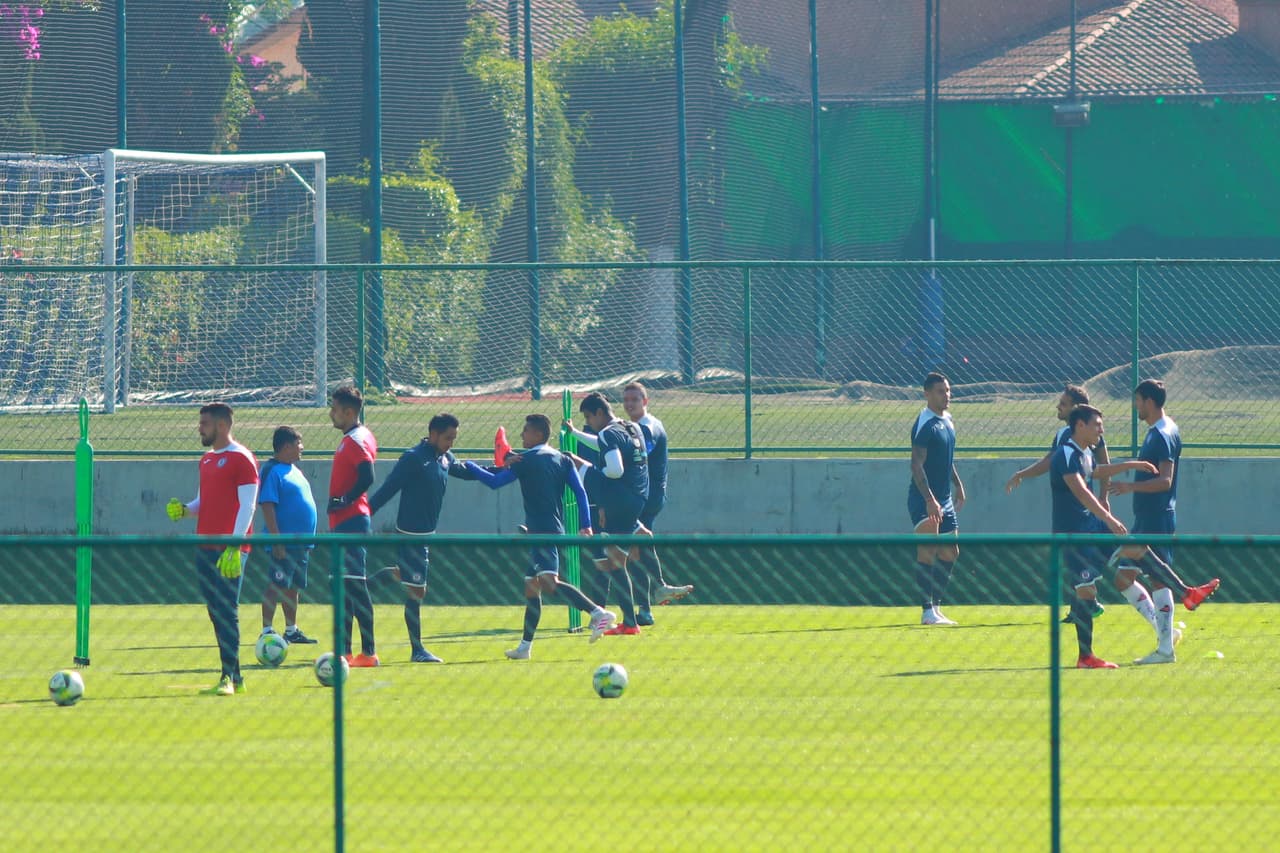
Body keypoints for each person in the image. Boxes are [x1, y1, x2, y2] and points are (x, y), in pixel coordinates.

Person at [464, 414, 618, 659]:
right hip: (550, 528)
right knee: (531, 587)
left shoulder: (525, 460)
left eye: (525, 431)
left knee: (549, 582)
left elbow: (494, 482)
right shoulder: (562, 458)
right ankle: (525, 647)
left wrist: (469, 465)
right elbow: (580, 492)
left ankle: (598, 613)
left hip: (541, 531)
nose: (522, 435)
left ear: (537, 434)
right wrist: (585, 524)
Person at [1108, 380, 1221, 664]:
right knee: (1123, 578)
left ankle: (1165, 649)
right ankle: (1166, 637)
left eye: (1137, 401)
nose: (1135, 406)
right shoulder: (1160, 431)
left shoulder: (1162, 434)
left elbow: (1165, 481)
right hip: (1146, 517)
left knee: (1158, 581)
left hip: (1156, 518)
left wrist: (1128, 487)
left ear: (1148, 401)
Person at [1050, 405, 1157, 669]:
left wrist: (1134, 463)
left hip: (1090, 528)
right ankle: (1085, 657)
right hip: (1074, 536)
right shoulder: (1065, 454)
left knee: (1136, 547)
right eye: (1097, 424)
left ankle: (1185, 592)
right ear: (1080, 426)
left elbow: (1098, 472)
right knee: (1086, 591)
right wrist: (1108, 518)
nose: (1102, 429)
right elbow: (1083, 492)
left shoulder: (1083, 453)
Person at [368, 413, 479, 664]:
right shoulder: (413, 458)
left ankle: (363, 587)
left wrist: (502, 467)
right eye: (448, 438)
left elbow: (465, 472)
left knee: (407, 577)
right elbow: (388, 488)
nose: (451, 443)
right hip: (410, 534)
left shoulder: (444, 457)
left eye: (454, 439)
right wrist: (365, 514)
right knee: (417, 591)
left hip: (426, 535)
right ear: (433, 434)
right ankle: (417, 649)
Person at [166, 403, 259, 696]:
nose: (200, 428)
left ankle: (227, 677)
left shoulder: (242, 458)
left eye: (204, 423)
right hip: (204, 545)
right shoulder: (206, 460)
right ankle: (237, 676)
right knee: (215, 610)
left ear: (221, 425)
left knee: (227, 609)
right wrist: (185, 510)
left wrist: (234, 544)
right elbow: (203, 502)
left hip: (231, 549)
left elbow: (248, 505)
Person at [1005, 383, 1112, 621]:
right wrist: (1022, 473)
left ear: (1076, 410)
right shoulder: (1062, 436)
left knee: (1085, 558)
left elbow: (1104, 467)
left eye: (1063, 404)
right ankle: (1081, 607)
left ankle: (1089, 603)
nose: (1058, 407)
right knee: (1072, 558)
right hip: (1068, 511)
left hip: (1085, 512)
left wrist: (1103, 498)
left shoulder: (1092, 435)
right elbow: (1048, 463)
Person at [564, 391, 649, 636]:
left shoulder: (607, 433)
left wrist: (599, 477)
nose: (589, 424)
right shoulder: (630, 427)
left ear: (599, 413)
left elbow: (614, 470)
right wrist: (576, 434)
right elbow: (602, 442)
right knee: (614, 560)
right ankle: (630, 622)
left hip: (618, 496)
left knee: (570, 461)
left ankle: (630, 623)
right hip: (637, 497)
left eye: (589, 419)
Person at [621, 381, 693, 624]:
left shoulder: (648, 426)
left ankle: (658, 589)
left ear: (645, 402)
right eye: (627, 400)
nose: (630, 404)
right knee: (635, 552)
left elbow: (641, 450)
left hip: (647, 497)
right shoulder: (633, 427)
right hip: (641, 495)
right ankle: (645, 610)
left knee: (638, 545)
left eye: (635, 400)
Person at [908, 372, 967, 625]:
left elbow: (946, 458)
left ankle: (937, 607)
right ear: (927, 394)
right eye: (941, 391)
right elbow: (916, 465)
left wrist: (957, 483)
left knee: (950, 552)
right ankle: (926, 610)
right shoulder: (925, 424)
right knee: (928, 551)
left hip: (945, 499)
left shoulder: (948, 420)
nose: (947, 396)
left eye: (948, 390)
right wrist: (930, 499)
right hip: (925, 499)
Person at [327, 385, 379, 667]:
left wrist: (344, 499)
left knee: (356, 584)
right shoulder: (353, 437)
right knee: (344, 587)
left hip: (352, 520)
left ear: (349, 412)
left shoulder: (357, 439)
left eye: (335, 409)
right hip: (345, 520)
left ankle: (369, 652)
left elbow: (367, 475)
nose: (331, 414)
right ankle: (345, 651)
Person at [258, 426, 320, 645]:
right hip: (284, 542)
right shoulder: (272, 470)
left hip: (301, 544)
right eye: (298, 444)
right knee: (276, 584)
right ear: (286, 447)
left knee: (293, 587)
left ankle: (291, 630)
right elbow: (267, 504)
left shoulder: (294, 469)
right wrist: (277, 540)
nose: (302, 448)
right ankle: (266, 630)